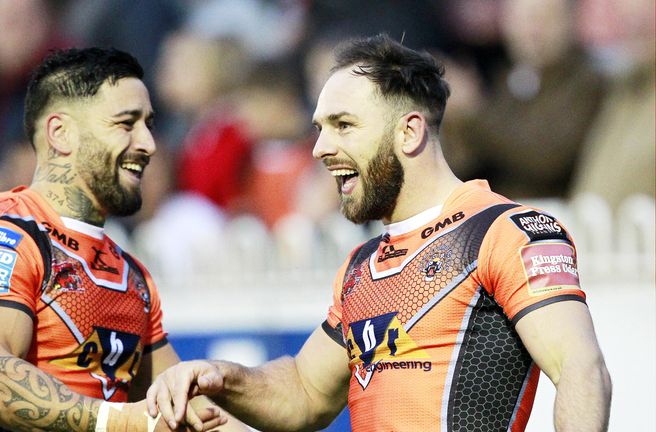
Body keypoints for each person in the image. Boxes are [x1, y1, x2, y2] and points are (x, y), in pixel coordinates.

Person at [145, 34, 612, 431]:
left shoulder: (506, 231)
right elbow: (305, 392)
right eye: (320, 129)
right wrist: (219, 376)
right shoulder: (362, 264)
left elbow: (580, 368)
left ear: (409, 133)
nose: (321, 149)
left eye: (344, 126)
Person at [0, 47, 242, 431]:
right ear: (60, 133)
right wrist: (124, 423)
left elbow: (188, 409)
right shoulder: (0, 241)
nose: (148, 143)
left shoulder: (131, 276)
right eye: (126, 123)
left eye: (148, 124)